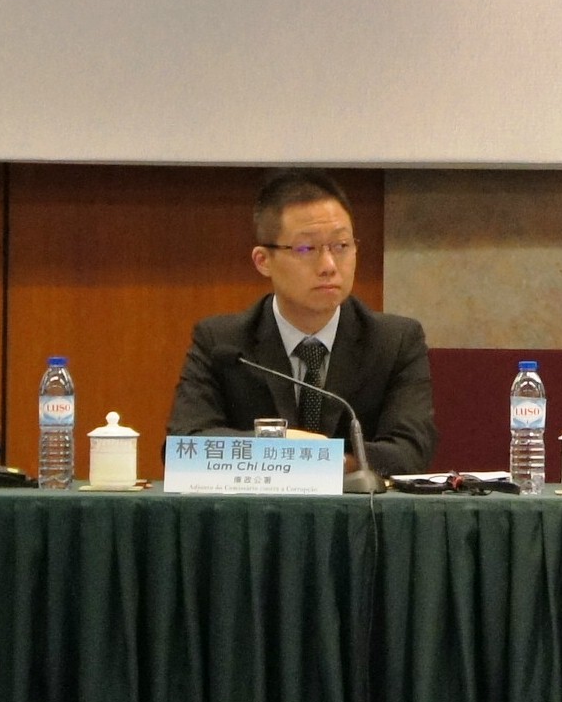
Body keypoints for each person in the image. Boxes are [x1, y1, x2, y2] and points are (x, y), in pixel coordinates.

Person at [167, 168, 437, 475]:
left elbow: (412, 449)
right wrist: (279, 448)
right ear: (263, 261)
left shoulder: (395, 341)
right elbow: (183, 444)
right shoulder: (222, 344)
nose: (329, 266)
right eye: (306, 249)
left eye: (341, 246)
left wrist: (321, 461)